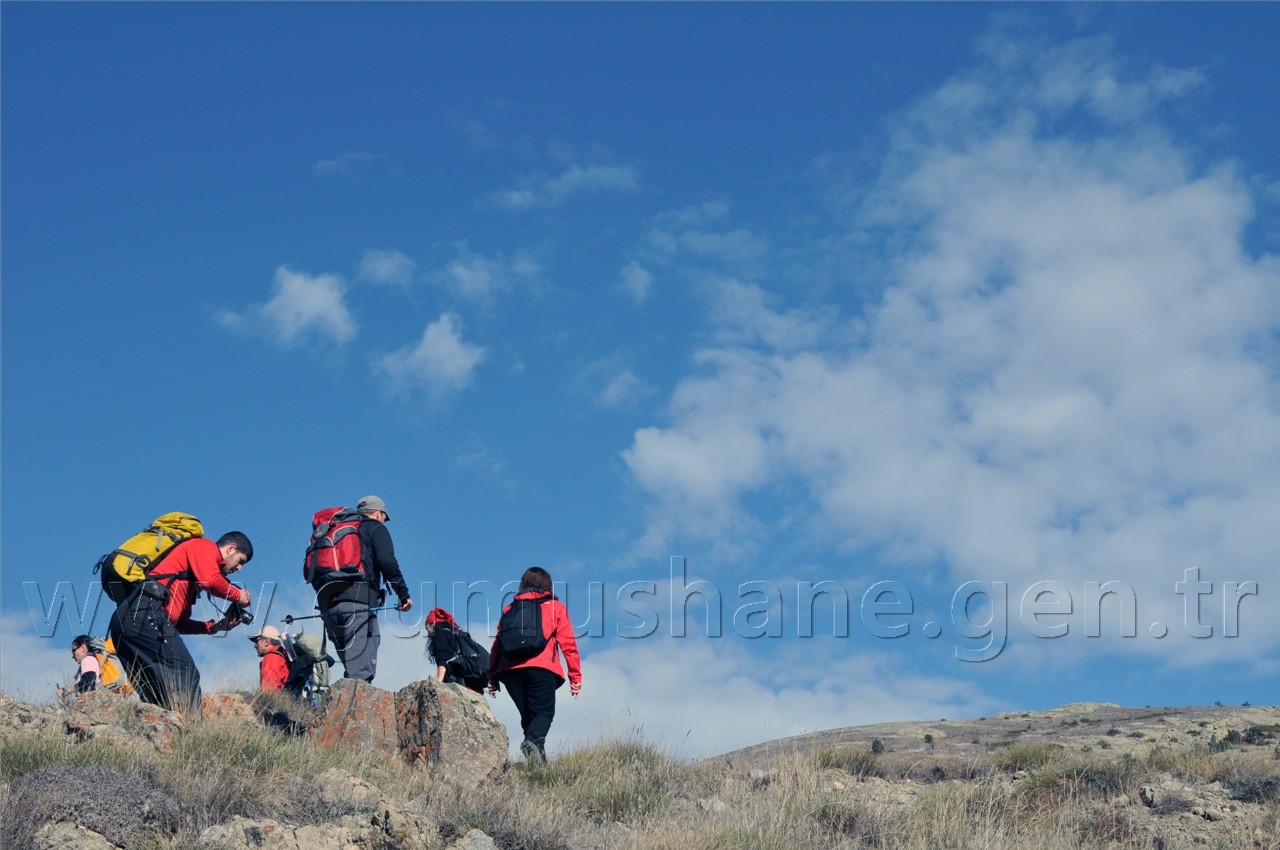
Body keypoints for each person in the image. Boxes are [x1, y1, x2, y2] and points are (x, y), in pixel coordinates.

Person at [108, 530, 253, 712]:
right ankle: (193, 731)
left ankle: (164, 732)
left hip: (129, 621)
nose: (239, 569)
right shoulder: (204, 546)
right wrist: (237, 594)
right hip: (144, 612)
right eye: (241, 561)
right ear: (231, 548)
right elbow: (211, 580)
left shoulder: (188, 581)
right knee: (185, 672)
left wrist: (213, 627)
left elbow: (179, 623)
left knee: (155, 691)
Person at [486, 566, 582, 762]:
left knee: (530, 720)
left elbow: (497, 644)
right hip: (541, 668)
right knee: (543, 713)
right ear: (548, 585)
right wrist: (575, 676)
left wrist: (491, 677)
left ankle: (539, 766)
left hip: (510, 672)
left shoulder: (510, 609)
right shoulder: (556, 607)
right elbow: (568, 643)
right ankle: (532, 745)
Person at [316, 495, 412, 683]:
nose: (384, 520)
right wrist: (403, 593)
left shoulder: (335, 530)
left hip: (328, 604)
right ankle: (354, 707)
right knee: (360, 670)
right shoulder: (375, 528)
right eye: (384, 516)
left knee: (351, 665)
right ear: (377, 513)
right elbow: (386, 560)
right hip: (357, 602)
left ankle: (343, 702)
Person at [426, 607, 483, 691]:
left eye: (427, 628)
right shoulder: (452, 632)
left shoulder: (440, 634)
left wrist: (438, 682)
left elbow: (443, 659)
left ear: (432, 623)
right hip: (468, 677)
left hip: (456, 679)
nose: (428, 634)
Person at [249, 625, 289, 692]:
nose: (255, 646)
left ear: (267, 642)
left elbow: (269, 690)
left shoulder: (270, 657)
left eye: (256, 641)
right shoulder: (283, 656)